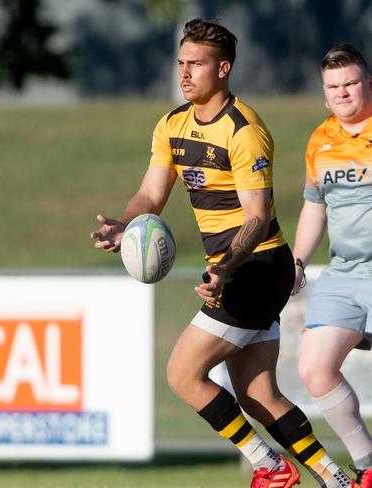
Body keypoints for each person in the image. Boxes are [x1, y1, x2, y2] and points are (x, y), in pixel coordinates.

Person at [91, 19, 354, 488]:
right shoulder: (172, 124)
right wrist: (125, 223)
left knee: (183, 373)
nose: (185, 73)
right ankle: (336, 478)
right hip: (234, 271)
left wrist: (225, 268)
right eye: (181, 63)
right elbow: (150, 195)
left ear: (224, 68)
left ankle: (268, 465)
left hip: (255, 265)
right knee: (258, 395)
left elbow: (256, 216)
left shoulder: (245, 130)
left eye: (196, 64)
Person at [292, 44, 372, 488]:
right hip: (344, 274)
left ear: (368, 84)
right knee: (314, 368)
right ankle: (367, 465)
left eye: (350, 83)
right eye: (333, 87)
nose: (342, 93)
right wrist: (298, 261)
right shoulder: (319, 140)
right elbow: (313, 209)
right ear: (324, 94)